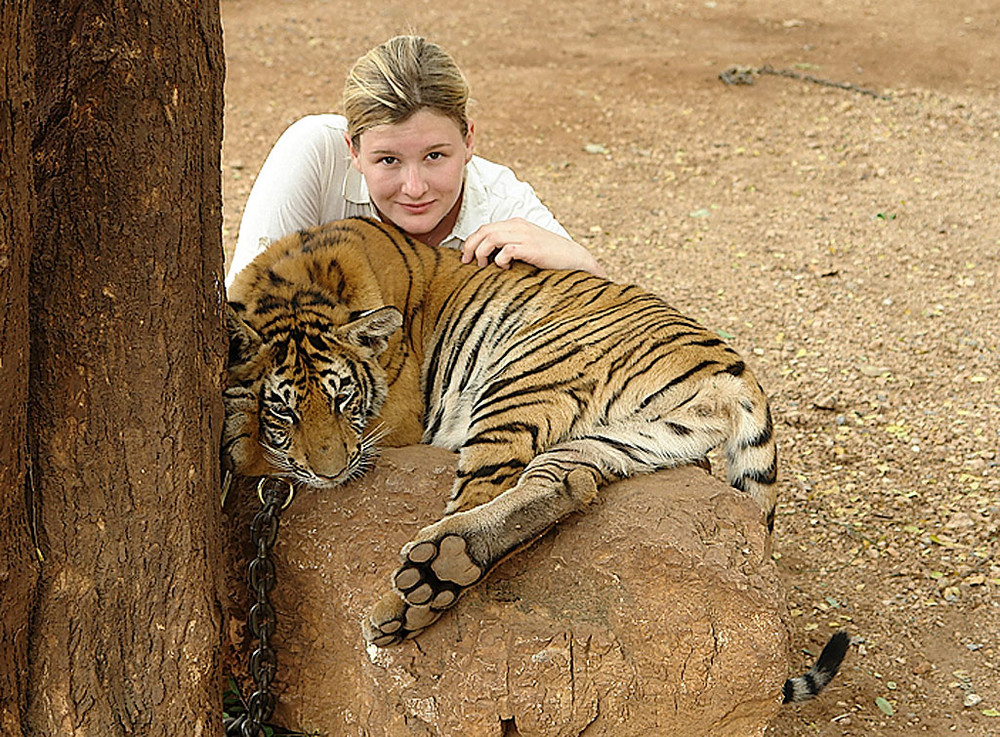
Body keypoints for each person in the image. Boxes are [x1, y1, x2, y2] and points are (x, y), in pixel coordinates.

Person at [225, 35, 605, 290]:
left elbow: (606, 318)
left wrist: (578, 259)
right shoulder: (314, 154)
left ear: (469, 139)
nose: (415, 188)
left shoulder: (504, 204)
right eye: (388, 160)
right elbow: (247, 299)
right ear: (353, 150)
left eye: (434, 156)